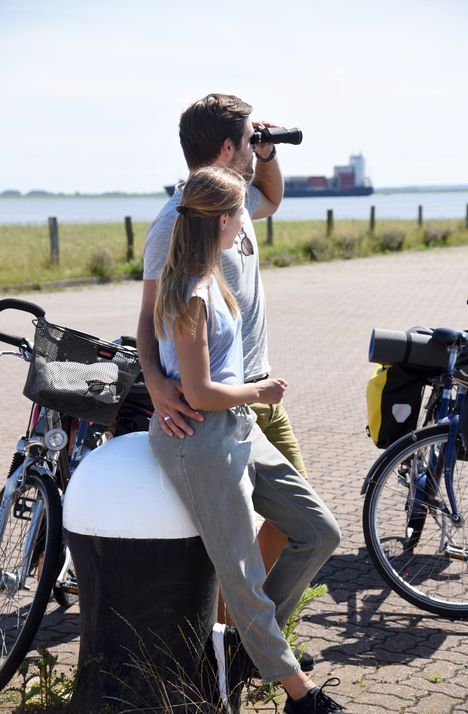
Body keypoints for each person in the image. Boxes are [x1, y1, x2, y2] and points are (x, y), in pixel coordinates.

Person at [149, 165, 343, 714]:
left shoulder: (213, 274)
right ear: (220, 220)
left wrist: (248, 405)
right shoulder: (189, 292)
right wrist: (259, 391)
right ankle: (299, 695)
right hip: (201, 442)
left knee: (317, 531)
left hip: (238, 431)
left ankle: (252, 650)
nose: (244, 225)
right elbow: (200, 391)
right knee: (241, 577)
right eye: (239, 215)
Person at [137, 93, 307, 596]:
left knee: (305, 521)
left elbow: (273, 199)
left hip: (260, 391)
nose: (259, 147)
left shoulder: (233, 203)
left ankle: (246, 632)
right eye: (254, 140)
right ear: (231, 146)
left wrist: (271, 154)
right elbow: (148, 315)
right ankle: (241, 635)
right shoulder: (176, 221)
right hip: (222, 403)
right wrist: (154, 383)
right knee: (295, 523)